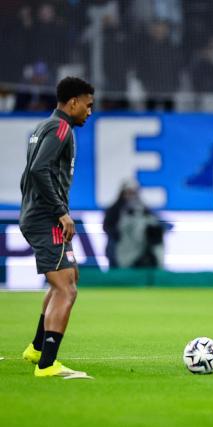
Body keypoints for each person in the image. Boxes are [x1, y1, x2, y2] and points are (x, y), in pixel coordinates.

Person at [20, 77, 94, 378]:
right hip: (47, 218)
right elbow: (38, 170)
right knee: (67, 289)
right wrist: (61, 212)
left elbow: (30, 173)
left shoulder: (45, 126)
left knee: (68, 276)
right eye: (87, 106)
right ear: (72, 102)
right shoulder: (61, 128)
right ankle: (47, 365)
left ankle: (37, 348)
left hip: (38, 214)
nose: (89, 112)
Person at [103, 180, 165, 269]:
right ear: (122, 193)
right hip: (121, 246)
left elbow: (156, 225)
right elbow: (108, 227)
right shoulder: (114, 210)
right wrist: (120, 234)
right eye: (128, 193)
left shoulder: (145, 210)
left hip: (139, 246)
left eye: (133, 193)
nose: (131, 196)